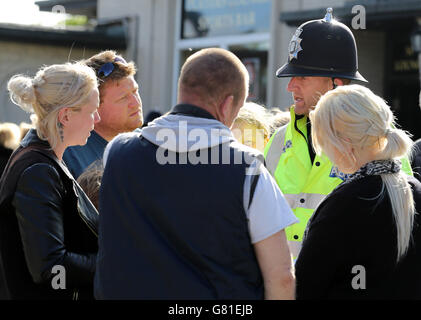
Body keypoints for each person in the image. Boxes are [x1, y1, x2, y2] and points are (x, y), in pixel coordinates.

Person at [95, 48, 298, 299]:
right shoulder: (248, 169)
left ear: (182, 91)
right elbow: (282, 277)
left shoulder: (116, 152)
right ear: (226, 105)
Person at [264, 8, 412, 259]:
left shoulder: (381, 141)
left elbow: (401, 230)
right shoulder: (278, 140)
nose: (290, 86)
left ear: (336, 84)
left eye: (302, 76)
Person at [295, 84, 421, 299]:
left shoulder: (342, 205)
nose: (325, 153)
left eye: (324, 143)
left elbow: (306, 286)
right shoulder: (416, 190)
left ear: (345, 144)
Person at [0, 62, 100, 300]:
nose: (96, 119)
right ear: (66, 115)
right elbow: (50, 269)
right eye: (92, 110)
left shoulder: (41, 158)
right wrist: (111, 264)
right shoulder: (38, 170)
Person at [63, 50, 143, 179]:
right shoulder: (69, 155)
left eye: (135, 91)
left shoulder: (145, 144)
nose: (135, 102)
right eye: (123, 98)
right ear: (94, 106)